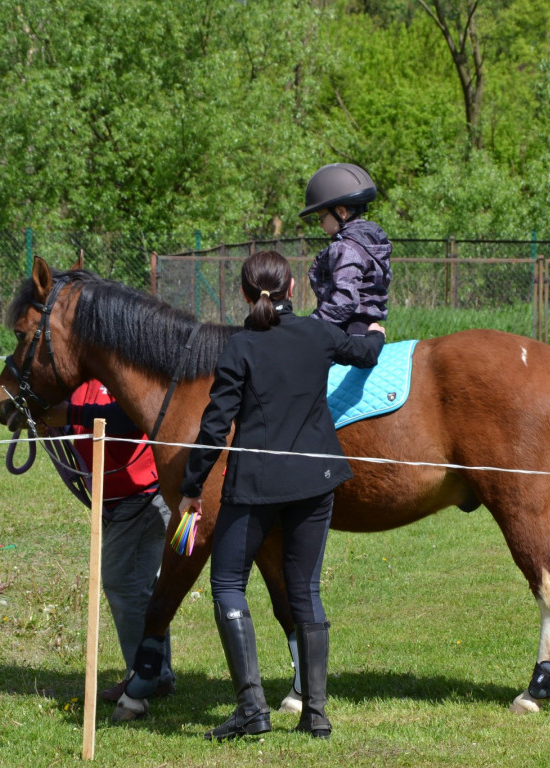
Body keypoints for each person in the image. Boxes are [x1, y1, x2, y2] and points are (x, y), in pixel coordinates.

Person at [178, 249, 385, 741]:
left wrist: (190, 488)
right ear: (293, 288)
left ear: (245, 294)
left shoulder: (239, 347)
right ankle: (316, 714)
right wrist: (376, 330)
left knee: (227, 584)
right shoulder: (317, 333)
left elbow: (214, 426)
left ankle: (252, 710)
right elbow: (365, 354)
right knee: (305, 590)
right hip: (315, 482)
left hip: (255, 487)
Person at [44, 380, 176, 703]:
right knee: (140, 587)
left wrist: (69, 414)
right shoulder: (81, 378)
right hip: (123, 498)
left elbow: (129, 418)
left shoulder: (123, 369)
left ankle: (144, 675)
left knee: (123, 582)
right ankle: (155, 672)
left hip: (141, 496)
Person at [300, 162, 392, 335]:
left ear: (341, 212)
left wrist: (312, 324)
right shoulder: (371, 242)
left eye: (321, 218)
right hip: (367, 327)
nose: (320, 225)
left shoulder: (346, 248)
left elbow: (344, 300)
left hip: (346, 330)